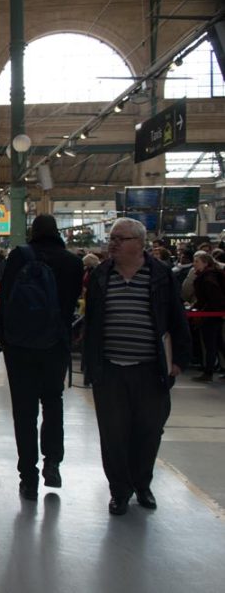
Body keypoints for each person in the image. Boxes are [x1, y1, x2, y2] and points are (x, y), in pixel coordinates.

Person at [83, 218, 191, 516]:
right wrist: (91, 365)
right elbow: (92, 322)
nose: (113, 243)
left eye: (121, 238)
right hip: (110, 370)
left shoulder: (161, 275)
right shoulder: (101, 275)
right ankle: (119, 490)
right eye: (112, 238)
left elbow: (175, 317)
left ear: (139, 243)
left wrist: (179, 361)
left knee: (149, 431)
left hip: (150, 370)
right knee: (113, 434)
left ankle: (142, 484)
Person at [0, 215, 83, 501]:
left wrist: (4, 339)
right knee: (52, 402)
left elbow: (4, 301)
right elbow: (71, 304)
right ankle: (53, 462)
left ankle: (28, 477)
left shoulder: (19, 257)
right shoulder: (73, 262)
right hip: (55, 344)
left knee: (24, 411)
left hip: (20, 346)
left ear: (33, 231)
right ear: (57, 231)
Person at [189, 251, 225, 382]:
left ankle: (208, 372)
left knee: (210, 344)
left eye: (197, 262)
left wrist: (201, 310)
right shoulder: (209, 275)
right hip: (212, 314)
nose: (194, 264)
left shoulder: (208, 278)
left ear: (205, 263)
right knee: (219, 344)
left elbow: (214, 298)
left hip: (210, 315)